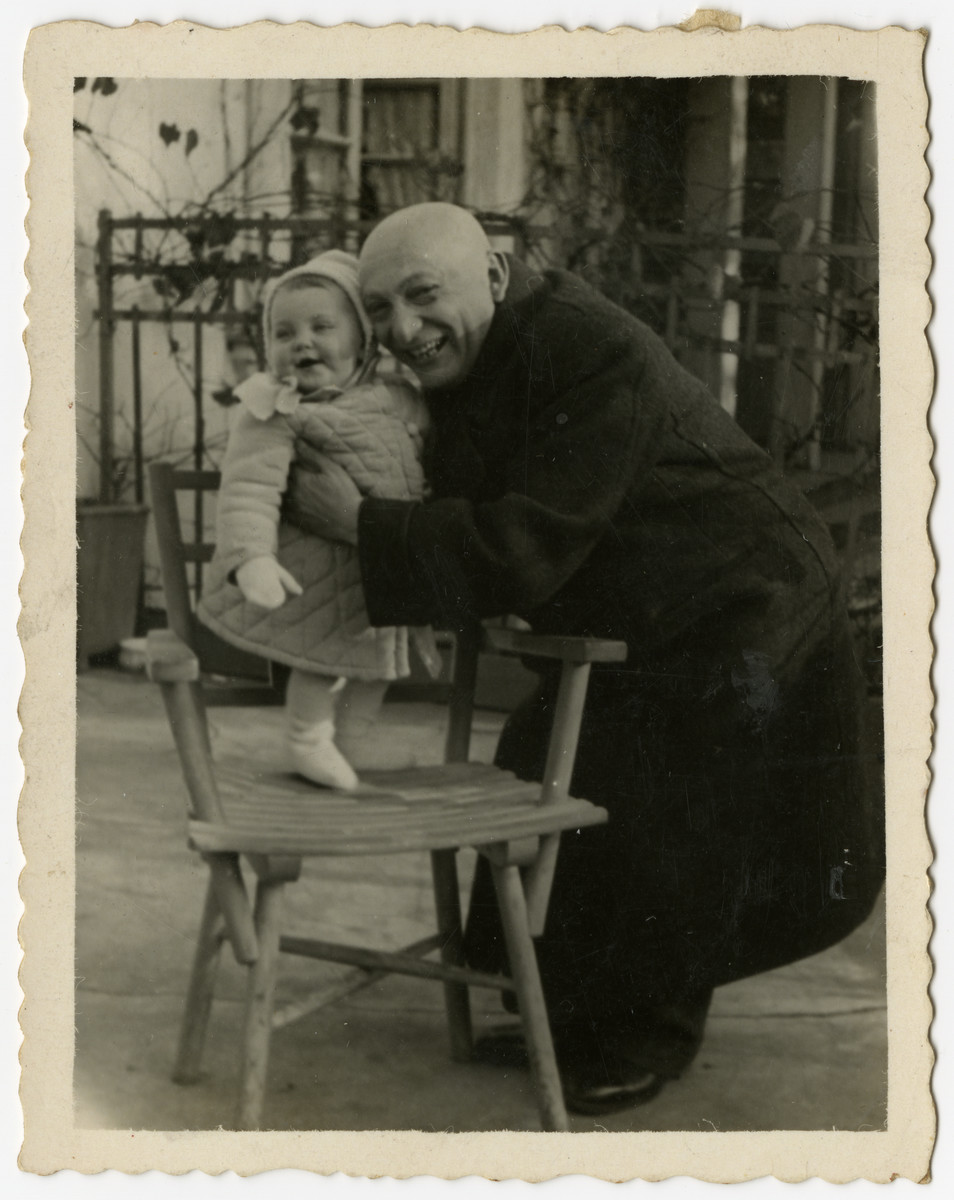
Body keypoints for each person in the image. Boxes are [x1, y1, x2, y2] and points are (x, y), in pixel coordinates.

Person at [284, 203, 885, 1114]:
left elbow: (529, 540)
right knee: (542, 767)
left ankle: (642, 1039)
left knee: (678, 813)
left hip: (746, 600)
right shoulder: (480, 353)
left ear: (491, 272)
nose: (403, 331)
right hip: (648, 611)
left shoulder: (584, 345)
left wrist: (363, 526)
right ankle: (558, 1007)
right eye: (381, 308)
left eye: (422, 295)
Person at [198, 250, 435, 790]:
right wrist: (251, 556)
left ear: (362, 341)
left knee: (380, 668)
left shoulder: (398, 400)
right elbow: (248, 489)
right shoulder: (275, 410)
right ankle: (307, 739)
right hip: (318, 580)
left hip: (382, 571)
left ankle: (343, 749)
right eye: (283, 333)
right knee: (319, 661)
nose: (301, 341)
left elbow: (434, 457)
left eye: (322, 327)